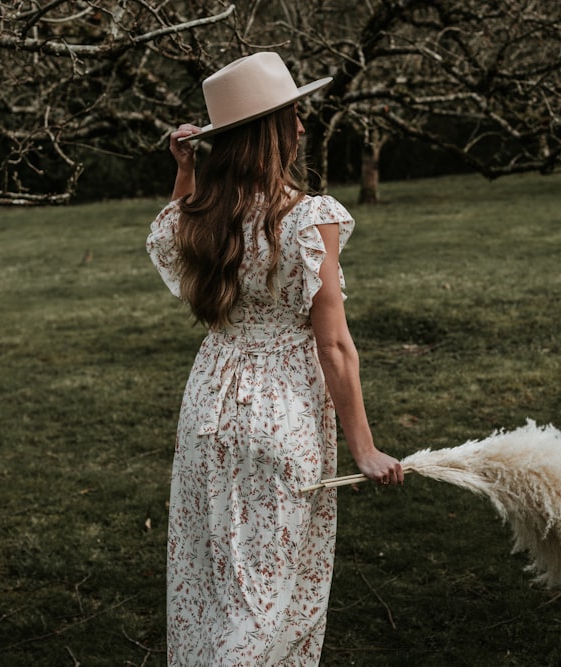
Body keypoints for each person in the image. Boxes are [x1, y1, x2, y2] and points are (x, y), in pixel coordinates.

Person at [147, 52, 403, 666]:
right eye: (294, 116)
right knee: (271, 595)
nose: (303, 128)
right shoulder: (307, 219)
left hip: (209, 401)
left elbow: (170, 245)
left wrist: (185, 171)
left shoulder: (202, 215)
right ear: (272, 131)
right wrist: (364, 448)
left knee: (211, 582)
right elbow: (334, 343)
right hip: (280, 412)